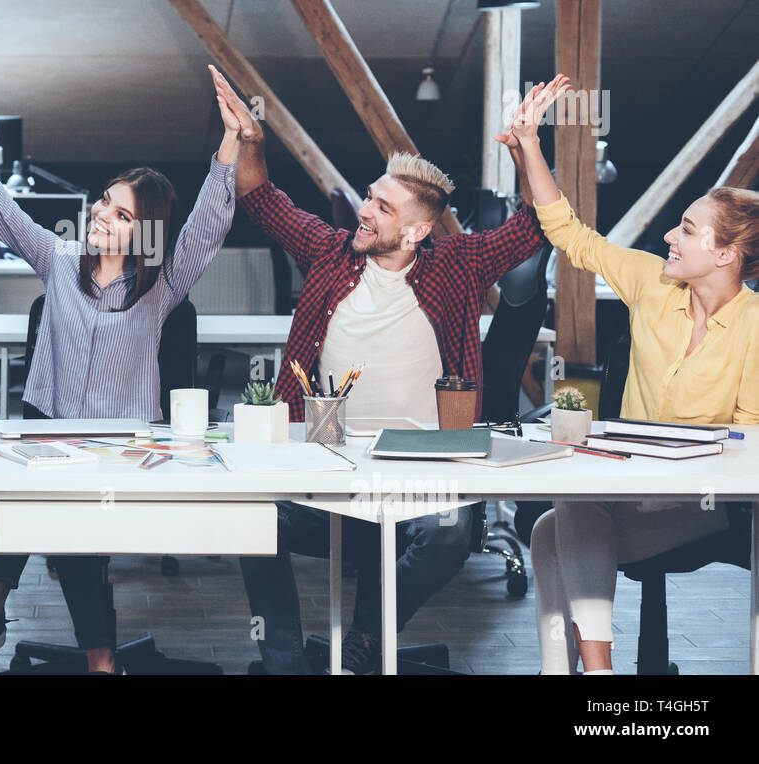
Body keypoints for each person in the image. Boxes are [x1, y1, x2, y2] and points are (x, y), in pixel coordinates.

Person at [219, 70, 551, 674]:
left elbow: (536, 224)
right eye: (369, 197)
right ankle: (286, 659)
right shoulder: (328, 251)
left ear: (418, 230)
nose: (363, 211)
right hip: (325, 458)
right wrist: (250, 140)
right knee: (252, 518)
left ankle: (368, 640)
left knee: (451, 533)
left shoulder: (457, 265)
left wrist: (527, 145)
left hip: (419, 467)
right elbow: (260, 197)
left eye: (381, 206)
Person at [0, 62, 241, 675]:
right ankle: (99, 662)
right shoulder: (58, 259)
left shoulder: (161, 284)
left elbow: (207, 224)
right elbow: (1, 208)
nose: (101, 215)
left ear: (145, 231)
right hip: (48, 430)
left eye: (121, 215)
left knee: (56, 513)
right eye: (104, 203)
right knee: (52, 503)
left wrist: (229, 144)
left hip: (123, 445)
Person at [501, 75, 759, 674]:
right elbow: (570, 234)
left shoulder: (753, 325)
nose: (669, 235)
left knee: (568, 509)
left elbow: (749, 436)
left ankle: (594, 674)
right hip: (631, 488)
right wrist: (530, 144)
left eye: (688, 229)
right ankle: (573, 673)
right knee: (549, 527)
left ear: (726, 254)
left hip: (704, 499)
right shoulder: (652, 282)